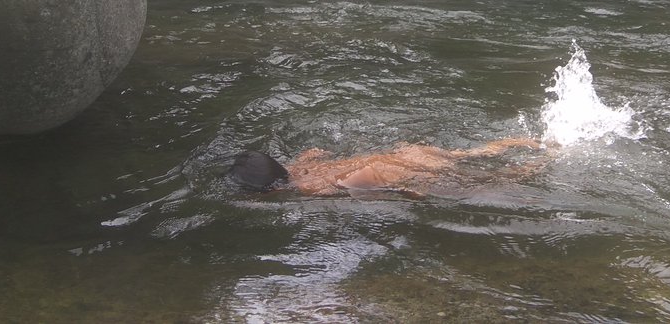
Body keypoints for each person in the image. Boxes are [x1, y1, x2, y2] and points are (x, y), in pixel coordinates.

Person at [229, 137, 545, 197]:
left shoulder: (306, 187)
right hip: (408, 153)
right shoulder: (298, 169)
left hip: (408, 169)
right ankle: (525, 141)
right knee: (472, 154)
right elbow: (314, 150)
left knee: (495, 182)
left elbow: (363, 178)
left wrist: (404, 189)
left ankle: (546, 160)